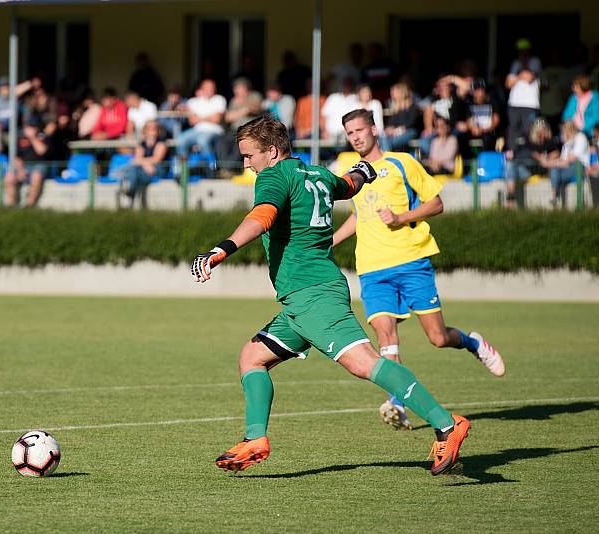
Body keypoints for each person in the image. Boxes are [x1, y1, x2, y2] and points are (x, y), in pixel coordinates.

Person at [191, 114, 470, 476]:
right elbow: (348, 186)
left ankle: (447, 424)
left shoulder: (275, 177)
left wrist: (221, 250)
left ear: (272, 152)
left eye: (249, 155)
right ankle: (255, 438)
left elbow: (261, 216)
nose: (246, 163)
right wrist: (363, 174)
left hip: (313, 295)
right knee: (252, 358)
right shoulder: (317, 174)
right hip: (300, 300)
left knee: (364, 363)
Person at [332, 109, 505, 430]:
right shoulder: (351, 171)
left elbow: (436, 203)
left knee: (438, 338)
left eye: (359, 130)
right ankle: (397, 403)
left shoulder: (401, 163)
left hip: (411, 262)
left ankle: (473, 343)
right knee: (385, 336)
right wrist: (330, 241)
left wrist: (401, 218)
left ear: (374, 129)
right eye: (349, 133)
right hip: (371, 267)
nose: (355, 137)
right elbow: (359, 215)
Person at [504, 118, 559, 209]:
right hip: (527, 171)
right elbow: (519, 154)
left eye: (544, 129)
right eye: (539, 130)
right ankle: (511, 197)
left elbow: (557, 153)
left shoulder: (551, 142)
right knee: (511, 166)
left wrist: (548, 157)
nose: (542, 133)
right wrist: (536, 155)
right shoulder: (527, 141)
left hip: (542, 170)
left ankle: (510, 198)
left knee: (510, 169)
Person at [118, 119, 167, 209]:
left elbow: (157, 159)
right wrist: (145, 164)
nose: (152, 130)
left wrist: (143, 162)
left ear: (158, 131)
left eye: (154, 128)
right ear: (145, 131)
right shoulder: (142, 144)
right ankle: (129, 192)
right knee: (134, 171)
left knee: (131, 170)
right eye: (149, 128)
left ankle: (127, 193)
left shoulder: (161, 143)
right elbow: (137, 159)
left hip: (156, 169)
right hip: (143, 169)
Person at [175, 79, 226, 161]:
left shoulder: (219, 99)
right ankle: (185, 169)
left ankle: (211, 167)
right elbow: (192, 121)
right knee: (180, 139)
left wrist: (199, 118)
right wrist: (208, 117)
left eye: (213, 87)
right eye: (208, 87)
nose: (211, 89)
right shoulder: (193, 101)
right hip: (197, 130)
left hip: (214, 130)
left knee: (202, 140)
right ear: (202, 88)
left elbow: (217, 119)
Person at [505, 38, 541, 153]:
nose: (522, 54)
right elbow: (508, 83)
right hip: (514, 103)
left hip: (530, 104)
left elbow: (530, 77)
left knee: (529, 131)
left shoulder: (535, 61)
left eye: (524, 51)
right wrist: (521, 75)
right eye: (520, 51)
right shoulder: (515, 63)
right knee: (513, 130)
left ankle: (529, 154)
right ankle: (512, 152)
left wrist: (518, 75)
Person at [543, 120, 590, 208]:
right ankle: (555, 197)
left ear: (569, 129)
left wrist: (552, 163)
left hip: (581, 167)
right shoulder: (567, 142)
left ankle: (556, 197)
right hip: (568, 167)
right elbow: (563, 159)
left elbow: (571, 158)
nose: (562, 133)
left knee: (554, 171)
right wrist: (552, 162)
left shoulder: (581, 137)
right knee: (554, 170)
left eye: (563, 130)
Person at [5, 117, 50, 207]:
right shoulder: (19, 137)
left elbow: (41, 150)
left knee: (36, 177)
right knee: (9, 177)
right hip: (23, 166)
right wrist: (21, 169)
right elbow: (15, 157)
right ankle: (12, 206)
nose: (29, 129)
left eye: (32, 127)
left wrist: (32, 138)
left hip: (38, 166)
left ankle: (29, 206)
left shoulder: (43, 136)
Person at [321, 76, 359, 145]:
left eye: (349, 84)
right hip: (330, 135)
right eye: (345, 84)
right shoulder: (333, 97)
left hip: (348, 136)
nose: (347, 86)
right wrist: (324, 131)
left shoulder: (356, 98)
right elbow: (323, 116)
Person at [381, 82, 419, 151]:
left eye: (393, 92)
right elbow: (389, 123)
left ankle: (387, 159)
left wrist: (398, 130)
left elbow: (411, 122)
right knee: (383, 138)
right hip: (395, 133)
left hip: (409, 131)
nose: (391, 94)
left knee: (389, 142)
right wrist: (389, 129)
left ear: (401, 93)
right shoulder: (395, 108)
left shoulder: (412, 106)